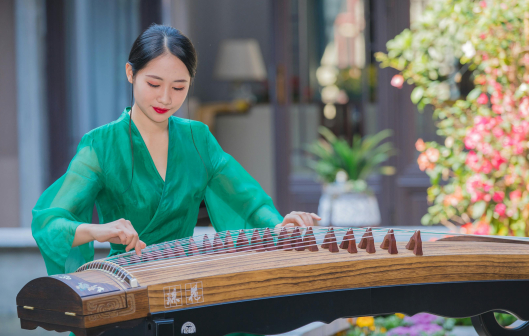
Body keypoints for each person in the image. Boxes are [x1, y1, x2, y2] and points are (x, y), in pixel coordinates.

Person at [32, 24, 320, 276]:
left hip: (184, 277)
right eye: (154, 84)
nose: (165, 98)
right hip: (128, 281)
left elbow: (247, 200)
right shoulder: (100, 145)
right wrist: (99, 230)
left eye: (179, 88)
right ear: (130, 73)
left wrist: (280, 226)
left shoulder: (198, 138)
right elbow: (49, 222)